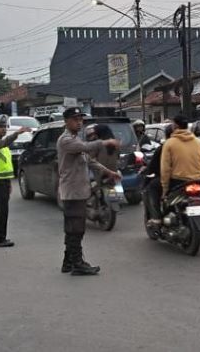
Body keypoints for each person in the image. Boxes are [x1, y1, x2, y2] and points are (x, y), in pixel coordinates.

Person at [57, 107, 120, 276]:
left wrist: (109, 172)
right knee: (75, 228)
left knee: (74, 227)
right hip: (72, 191)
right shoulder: (66, 140)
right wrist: (105, 142)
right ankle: (77, 263)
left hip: (79, 190)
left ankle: (68, 262)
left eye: (80, 119)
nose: (79, 122)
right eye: (75, 119)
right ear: (66, 121)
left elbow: (90, 161)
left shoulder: (75, 139)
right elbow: (85, 146)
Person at [0, 115, 30, 247]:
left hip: (2, 180)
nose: (4, 129)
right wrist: (16, 133)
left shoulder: (0, 143)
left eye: (5, 127)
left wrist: (9, 182)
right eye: (1, 127)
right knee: (0, 211)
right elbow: (0, 144)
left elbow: (5, 165)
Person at [160, 113, 200, 198]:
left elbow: (165, 169)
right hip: (199, 180)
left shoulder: (169, 143)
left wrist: (165, 189)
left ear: (175, 126)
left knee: (167, 205)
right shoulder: (198, 142)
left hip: (179, 181)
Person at [145, 124, 174, 226]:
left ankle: (156, 217)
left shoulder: (165, 147)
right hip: (193, 178)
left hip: (174, 179)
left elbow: (155, 167)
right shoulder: (194, 143)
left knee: (152, 187)